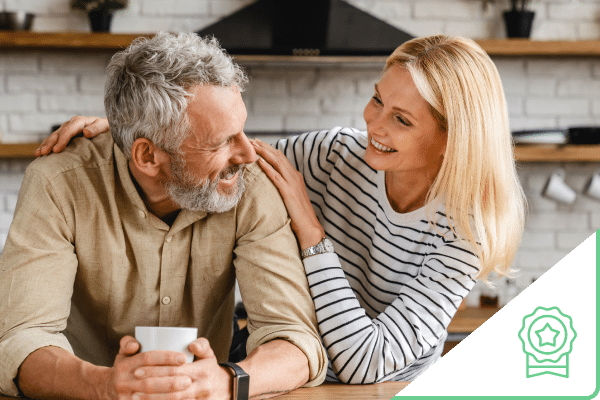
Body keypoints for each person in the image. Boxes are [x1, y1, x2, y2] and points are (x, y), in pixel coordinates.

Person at [35, 35, 526, 384]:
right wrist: (130, 127)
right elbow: (215, 152)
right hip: (294, 382)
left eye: (400, 119)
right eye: (377, 100)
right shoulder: (338, 154)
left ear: (453, 140)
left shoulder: (466, 233)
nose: (373, 123)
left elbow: (366, 361)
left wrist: (312, 233)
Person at [0, 32, 327, 400]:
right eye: (221, 141)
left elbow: (296, 342)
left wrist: (226, 381)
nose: (248, 154)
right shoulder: (58, 183)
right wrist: (103, 386)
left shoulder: (249, 186)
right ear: (146, 156)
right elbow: (19, 342)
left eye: (242, 130)